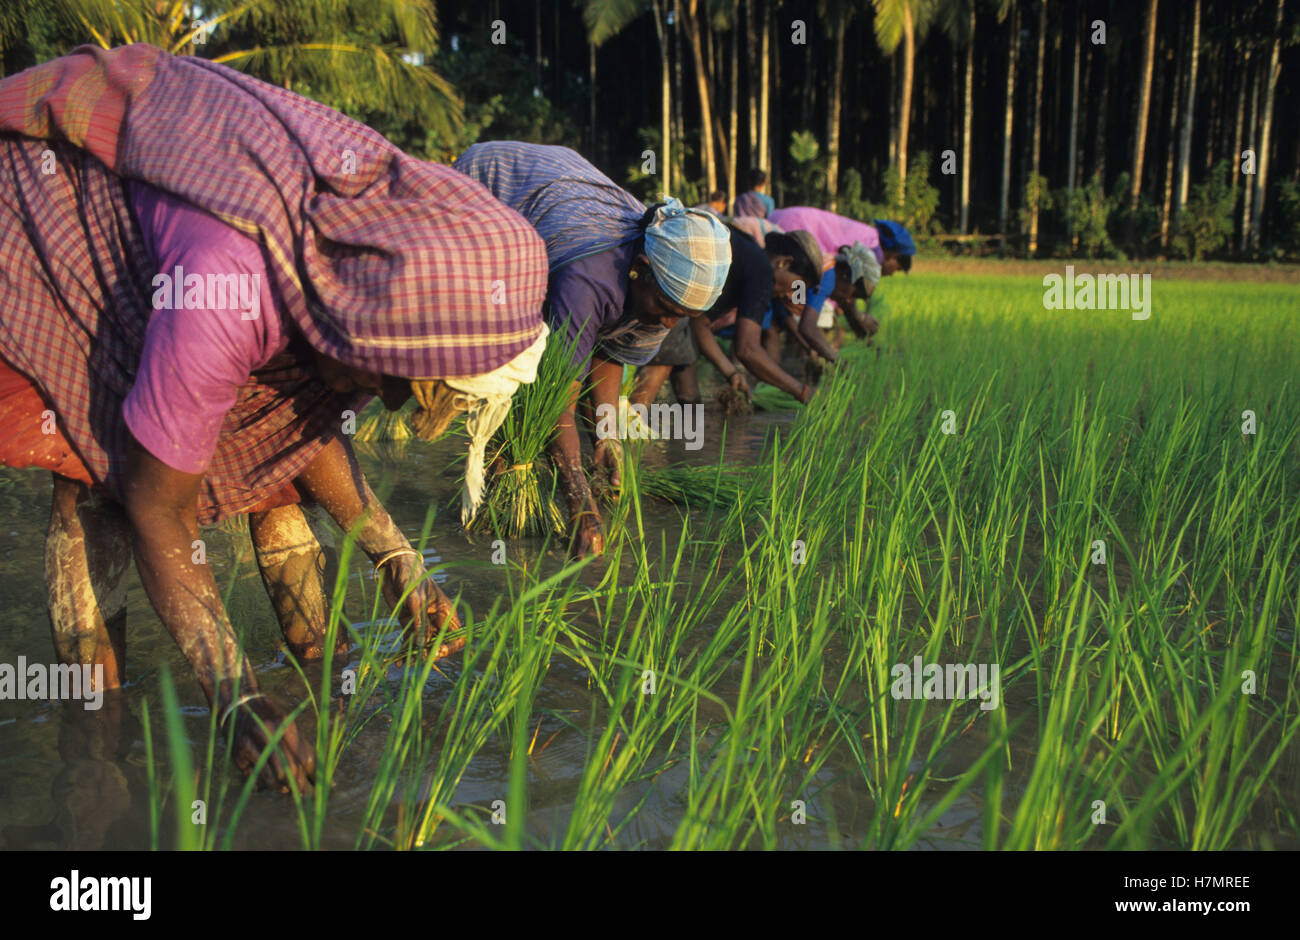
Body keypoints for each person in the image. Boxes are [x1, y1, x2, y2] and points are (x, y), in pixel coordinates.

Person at [0, 45, 552, 793]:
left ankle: (300, 701)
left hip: (182, 255)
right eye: (408, 384)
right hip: (48, 214)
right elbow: (156, 505)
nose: (390, 403)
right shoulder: (228, 282)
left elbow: (300, 426)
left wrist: (399, 562)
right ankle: (97, 766)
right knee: (98, 469)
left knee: (275, 459)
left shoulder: (362, 260)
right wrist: (236, 699)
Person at [453, 141, 731, 558]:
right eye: (667, 309)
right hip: (491, 189)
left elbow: (610, 351)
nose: (670, 323)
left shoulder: (657, 290)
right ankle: (498, 471)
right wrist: (581, 503)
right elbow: (558, 395)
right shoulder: (592, 277)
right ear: (640, 270)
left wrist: (606, 437)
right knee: (503, 359)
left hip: (564, 184)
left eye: (683, 316)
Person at [631, 227, 824, 408]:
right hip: (666, 288)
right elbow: (747, 349)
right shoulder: (762, 272)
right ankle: (627, 425)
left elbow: (699, 323)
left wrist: (731, 372)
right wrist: (802, 391)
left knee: (690, 400)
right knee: (667, 356)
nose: (790, 294)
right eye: (796, 285)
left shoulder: (747, 259)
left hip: (661, 283)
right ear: (784, 263)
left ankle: (671, 438)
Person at [767, 207, 915, 348]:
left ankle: (794, 350)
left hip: (781, 219)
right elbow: (844, 294)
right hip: (796, 230)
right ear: (894, 257)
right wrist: (859, 320)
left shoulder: (869, 237)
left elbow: (842, 293)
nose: (892, 274)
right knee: (811, 313)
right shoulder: (873, 255)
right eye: (897, 269)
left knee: (787, 309)